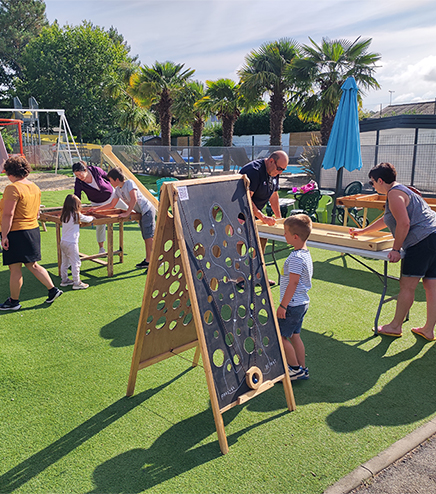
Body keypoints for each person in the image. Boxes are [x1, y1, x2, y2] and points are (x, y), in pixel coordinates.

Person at [350, 162, 436, 340]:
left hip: (422, 242)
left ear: (380, 180)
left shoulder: (394, 194)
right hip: (433, 236)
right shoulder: (402, 190)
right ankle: (428, 329)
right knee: (431, 285)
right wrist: (363, 231)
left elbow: (404, 223)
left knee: (407, 286)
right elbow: (388, 219)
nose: (372, 186)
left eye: (372, 182)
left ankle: (395, 326)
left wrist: (396, 249)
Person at [0, 156, 62, 310]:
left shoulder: (12, 188)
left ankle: (14, 301)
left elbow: (8, 214)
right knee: (32, 264)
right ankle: (53, 290)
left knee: (15, 268)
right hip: (32, 230)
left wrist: (4, 235)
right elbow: (36, 212)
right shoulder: (34, 187)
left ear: (9, 172)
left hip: (16, 231)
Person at [240, 150, 289, 284]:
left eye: (283, 170)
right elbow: (246, 199)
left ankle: (258, 275)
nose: (280, 172)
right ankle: (238, 277)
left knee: (263, 236)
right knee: (239, 242)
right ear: (271, 161)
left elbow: (274, 196)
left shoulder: (274, 171)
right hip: (238, 211)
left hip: (254, 213)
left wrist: (279, 218)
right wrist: (262, 217)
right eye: (279, 169)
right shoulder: (254, 171)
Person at [91, 167, 155, 270]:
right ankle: (148, 260)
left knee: (149, 237)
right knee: (146, 237)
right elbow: (112, 204)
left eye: (111, 180)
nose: (110, 183)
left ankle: (155, 261)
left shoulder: (129, 183)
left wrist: (127, 213)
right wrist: (96, 209)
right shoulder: (117, 190)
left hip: (147, 210)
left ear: (117, 179)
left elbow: (133, 199)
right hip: (141, 212)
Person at [276, 214, 313, 380]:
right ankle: (302, 368)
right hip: (301, 303)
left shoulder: (297, 258)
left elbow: (293, 283)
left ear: (295, 236)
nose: (284, 235)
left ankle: (294, 369)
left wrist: (283, 306)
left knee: (280, 336)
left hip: (292, 305)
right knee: (295, 336)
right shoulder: (305, 253)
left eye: (286, 232)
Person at [72, 161, 126, 254]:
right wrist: (76, 208)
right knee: (100, 225)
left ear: (85, 170)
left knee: (128, 209)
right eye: (77, 176)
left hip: (112, 196)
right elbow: (77, 196)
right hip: (97, 203)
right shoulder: (79, 182)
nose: (79, 177)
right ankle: (101, 249)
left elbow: (108, 177)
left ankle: (141, 222)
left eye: (80, 174)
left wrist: (119, 187)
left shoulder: (95, 170)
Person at [59, 194, 95, 290]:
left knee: (65, 262)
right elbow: (88, 219)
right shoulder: (76, 215)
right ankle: (76, 282)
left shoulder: (64, 214)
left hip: (63, 241)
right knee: (76, 263)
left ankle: (64, 279)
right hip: (72, 243)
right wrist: (92, 218)